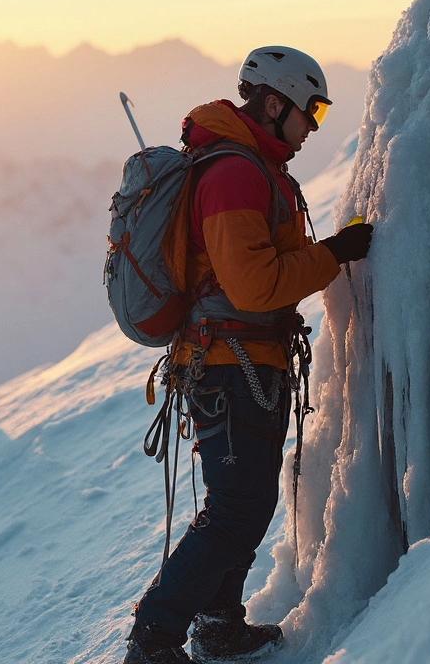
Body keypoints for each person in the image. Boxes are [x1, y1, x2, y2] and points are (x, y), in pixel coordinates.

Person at [124, 47, 374, 663]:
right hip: (229, 363)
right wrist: (336, 253)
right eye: (309, 108)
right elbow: (253, 284)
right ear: (274, 102)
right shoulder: (236, 172)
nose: (314, 123)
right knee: (237, 506)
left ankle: (217, 624)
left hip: (236, 360)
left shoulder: (250, 165)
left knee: (245, 500)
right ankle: (154, 637)